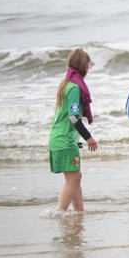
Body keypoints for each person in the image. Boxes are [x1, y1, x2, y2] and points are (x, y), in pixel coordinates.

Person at [49, 48, 99, 212]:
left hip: (60, 138)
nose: (89, 68)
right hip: (65, 140)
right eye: (88, 65)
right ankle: (59, 212)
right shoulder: (75, 88)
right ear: (84, 66)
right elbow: (73, 117)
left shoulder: (67, 84)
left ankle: (79, 212)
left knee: (76, 177)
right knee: (73, 179)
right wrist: (88, 137)